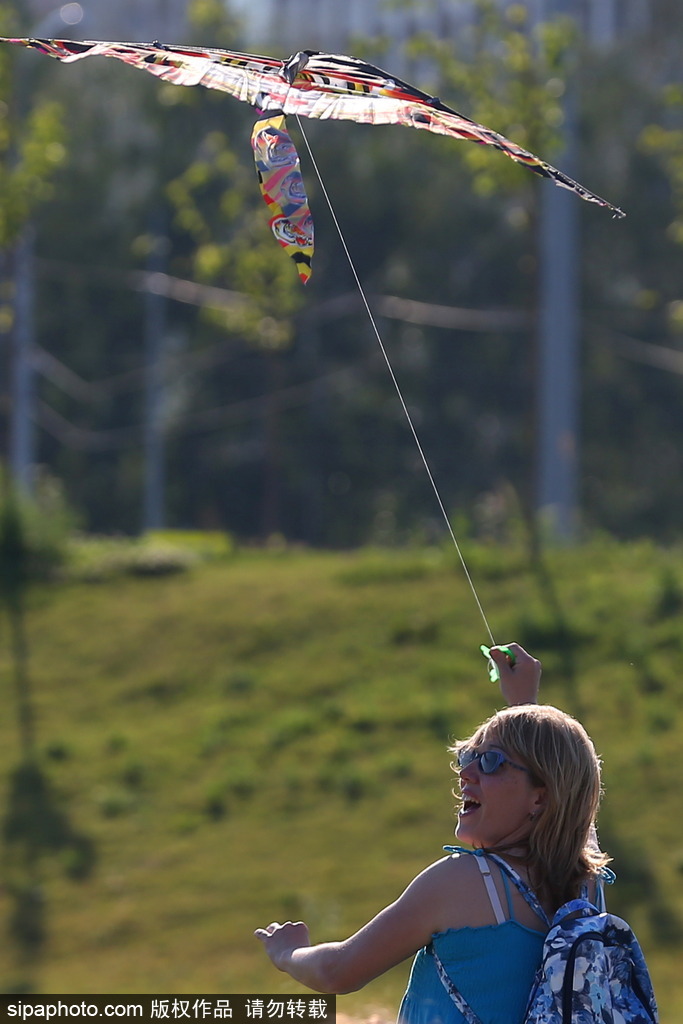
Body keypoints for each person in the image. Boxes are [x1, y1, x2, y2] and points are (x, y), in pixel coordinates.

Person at [255, 643, 611, 1023]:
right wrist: (524, 705)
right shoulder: (587, 886)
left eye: (490, 762)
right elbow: (571, 805)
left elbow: (337, 971)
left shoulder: (463, 882)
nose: (466, 772)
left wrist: (287, 953)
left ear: (540, 797)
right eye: (468, 757)